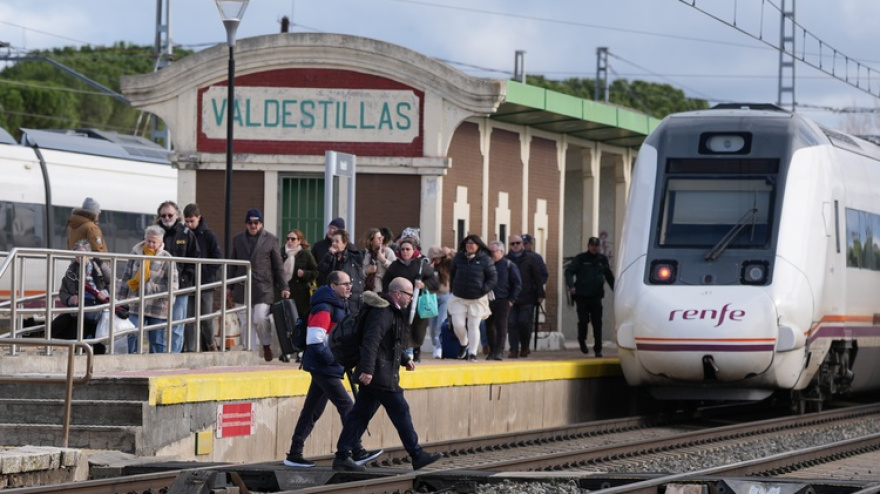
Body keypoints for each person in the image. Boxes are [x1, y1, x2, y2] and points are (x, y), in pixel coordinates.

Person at [331, 277, 442, 472]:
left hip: (381, 371)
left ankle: (342, 456)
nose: (410, 298)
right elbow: (371, 341)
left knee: (359, 415)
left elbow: (391, 343)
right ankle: (416, 455)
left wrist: (405, 359)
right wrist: (367, 369)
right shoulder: (383, 312)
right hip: (380, 374)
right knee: (401, 412)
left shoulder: (391, 311)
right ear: (398, 294)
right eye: (409, 294)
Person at [284, 271, 382, 468]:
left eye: (350, 283)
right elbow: (315, 341)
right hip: (323, 366)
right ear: (333, 286)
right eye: (344, 284)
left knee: (312, 410)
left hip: (325, 366)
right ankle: (357, 450)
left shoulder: (338, 305)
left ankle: (294, 454)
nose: (349, 287)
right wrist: (335, 360)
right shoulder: (323, 307)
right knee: (347, 406)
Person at [227, 209, 290, 361]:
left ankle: (266, 344)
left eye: (256, 222)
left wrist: (284, 287)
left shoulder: (271, 239)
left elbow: (278, 265)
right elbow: (232, 264)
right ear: (246, 224)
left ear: (261, 223)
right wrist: (229, 286)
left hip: (263, 287)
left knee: (261, 318)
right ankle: (251, 354)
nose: (253, 225)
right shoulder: (238, 239)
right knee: (246, 323)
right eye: (250, 223)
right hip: (242, 286)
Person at [117, 225, 179, 354]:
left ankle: (156, 363)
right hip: (136, 302)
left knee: (156, 337)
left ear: (161, 243)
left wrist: (168, 299)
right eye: (148, 241)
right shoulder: (136, 253)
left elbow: (173, 284)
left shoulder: (167, 258)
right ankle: (131, 358)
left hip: (157, 304)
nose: (150, 244)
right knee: (132, 332)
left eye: (154, 242)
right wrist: (121, 299)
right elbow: (126, 277)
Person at [381, 237, 438, 363]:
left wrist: (423, 284)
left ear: (414, 250)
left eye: (408, 249)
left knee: (418, 329)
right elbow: (386, 281)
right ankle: (405, 354)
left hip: (418, 303)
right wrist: (389, 295)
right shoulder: (395, 265)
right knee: (402, 327)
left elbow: (434, 282)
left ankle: (416, 351)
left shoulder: (421, 264)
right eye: (402, 249)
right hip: (400, 303)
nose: (405, 252)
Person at [156, 201, 200, 353]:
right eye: (163, 215)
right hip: (159, 288)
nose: (167, 218)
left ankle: (173, 356)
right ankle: (159, 356)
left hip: (181, 287)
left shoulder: (187, 234)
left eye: (170, 215)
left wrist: (185, 280)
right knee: (158, 325)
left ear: (177, 215)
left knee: (177, 326)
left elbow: (195, 259)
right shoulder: (154, 234)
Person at [51, 239, 113, 348]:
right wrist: (70, 299)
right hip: (79, 308)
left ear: (88, 254)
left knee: (94, 336)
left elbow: (113, 282)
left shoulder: (99, 265)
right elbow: (63, 292)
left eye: (82, 254)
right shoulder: (71, 270)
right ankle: (83, 347)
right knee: (56, 327)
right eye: (76, 254)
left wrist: (106, 293)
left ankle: (92, 346)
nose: (79, 257)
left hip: (97, 306)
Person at [447, 235, 497, 361]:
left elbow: (493, 278)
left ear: (478, 245)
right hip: (459, 296)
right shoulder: (458, 258)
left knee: (473, 325)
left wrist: (483, 289)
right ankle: (464, 343)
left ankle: (473, 352)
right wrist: (453, 289)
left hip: (477, 298)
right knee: (458, 324)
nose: (469, 245)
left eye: (472, 243)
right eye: (467, 243)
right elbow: (452, 275)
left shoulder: (485, 259)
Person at [565, 236, 615, 357]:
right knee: (583, 321)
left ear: (599, 247)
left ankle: (598, 349)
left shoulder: (602, 259)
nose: (594, 247)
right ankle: (582, 340)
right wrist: (571, 286)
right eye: (592, 245)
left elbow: (608, 275)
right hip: (582, 296)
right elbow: (569, 271)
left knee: (597, 322)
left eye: (596, 245)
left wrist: (617, 291)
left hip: (596, 296)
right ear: (588, 246)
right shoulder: (581, 258)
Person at [182, 203, 222, 352]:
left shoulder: (208, 235)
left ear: (199, 218)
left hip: (205, 283)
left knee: (205, 317)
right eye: (186, 221)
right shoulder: (184, 235)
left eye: (192, 221)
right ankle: (190, 349)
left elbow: (217, 259)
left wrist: (205, 275)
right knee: (190, 319)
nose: (189, 224)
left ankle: (211, 343)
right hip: (189, 282)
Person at [507, 234, 546, 359]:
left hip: (528, 297)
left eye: (518, 243)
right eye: (512, 244)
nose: (515, 246)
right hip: (511, 298)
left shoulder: (531, 259)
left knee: (524, 322)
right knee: (512, 323)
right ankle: (514, 349)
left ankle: (524, 346)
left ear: (522, 244)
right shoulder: (506, 260)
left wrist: (540, 293)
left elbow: (538, 277)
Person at [316, 228, 365, 314]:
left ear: (344, 244)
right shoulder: (330, 256)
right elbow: (321, 269)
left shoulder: (352, 257)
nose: (334, 244)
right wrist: (329, 256)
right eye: (333, 241)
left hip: (351, 299)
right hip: (335, 297)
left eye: (337, 241)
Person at [486, 241, 520, 361]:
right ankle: (491, 350)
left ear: (501, 252)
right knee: (489, 326)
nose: (491, 254)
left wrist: (511, 300)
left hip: (503, 300)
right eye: (489, 251)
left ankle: (499, 351)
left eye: (493, 251)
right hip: (488, 301)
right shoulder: (487, 264)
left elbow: (517, 284)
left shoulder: (509, 265)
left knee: (501, 326)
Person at [283, 229, 318, 318]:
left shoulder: (305, 254)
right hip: (284, 292)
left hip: (301, 295)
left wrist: (304, 273)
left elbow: (315, 272)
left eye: (293, 239)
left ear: (299, 241)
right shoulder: (281, 253)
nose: (290, 241)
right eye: (288, 239)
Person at [425, 245, 452, 359]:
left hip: (444, 296)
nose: (437, 259)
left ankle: (439, 347)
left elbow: (458, 257)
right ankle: (435, 344)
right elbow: (422, 278)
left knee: (440, 323)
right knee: (431, 326)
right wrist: (429, 268)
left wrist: (449, 251)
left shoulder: (447, 265)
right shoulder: (427, 267)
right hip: (431, 297)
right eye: (434, 257)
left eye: (438, 257)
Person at [311, 217, 345, 287]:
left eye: (334, 228)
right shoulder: (319, 246)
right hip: (323, 284)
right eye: (330, 227)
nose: (331, 230)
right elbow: (314, 266)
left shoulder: (348, 247)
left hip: (341, 285)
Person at [362, 228, 396, 294]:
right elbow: (358, 273)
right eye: (378, 238)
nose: (381, 240)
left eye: (381, 238)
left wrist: (383, 260)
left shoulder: (387, 252)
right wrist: (366, 271)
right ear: (371, 241)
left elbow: (395, 269)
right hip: (366, 291)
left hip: (382, 291)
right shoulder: (364, 254)